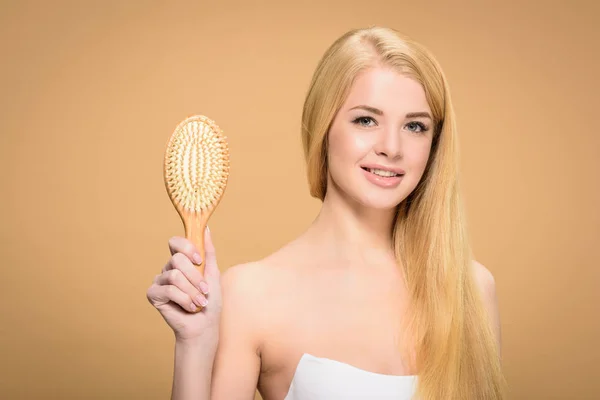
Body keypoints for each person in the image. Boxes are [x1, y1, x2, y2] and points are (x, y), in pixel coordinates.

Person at [147, 26, 507, 400]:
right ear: (324, 127)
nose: (392, 147)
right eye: (366, 120)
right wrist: (195, 344)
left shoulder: (473, 290)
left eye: (415, 126)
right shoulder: (252, 295)